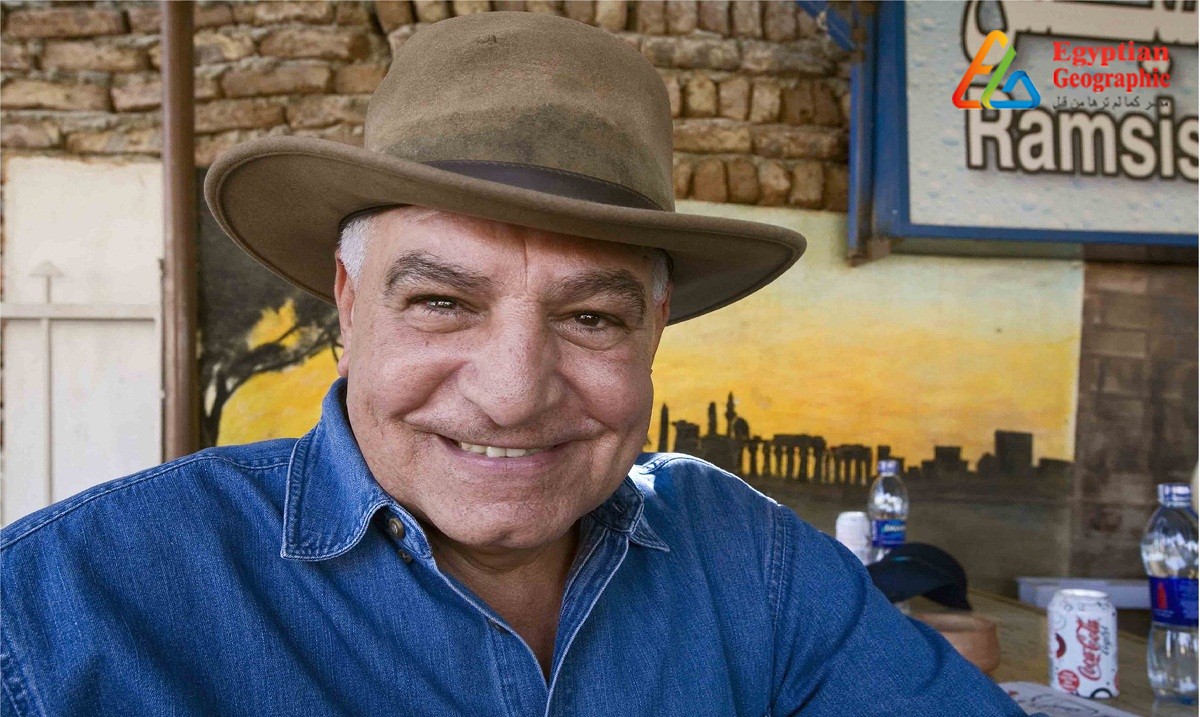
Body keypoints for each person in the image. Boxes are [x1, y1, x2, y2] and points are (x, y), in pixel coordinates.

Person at [0, 11, 1031, 716]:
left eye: (590, 318)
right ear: (348, 306)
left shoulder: (755, 566)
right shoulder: (63, 609)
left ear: (655, 330)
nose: (510, 394)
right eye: (442, 302)